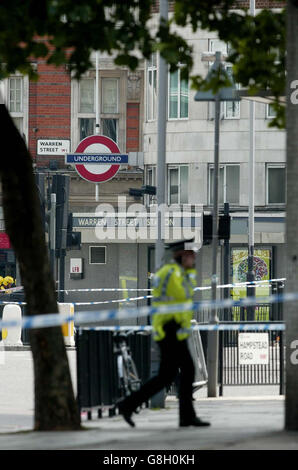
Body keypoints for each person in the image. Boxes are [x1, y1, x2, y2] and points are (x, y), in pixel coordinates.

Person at [117, 239, 210, 428]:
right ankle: (185, 416)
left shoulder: (175, 272)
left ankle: (128, 405)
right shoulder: (171, 274)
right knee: (183, 372)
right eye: (190, 255)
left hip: (175, 330)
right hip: (170, 329)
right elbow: (181, 294)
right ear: (181, 256)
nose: (194, 259)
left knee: (167, 376)